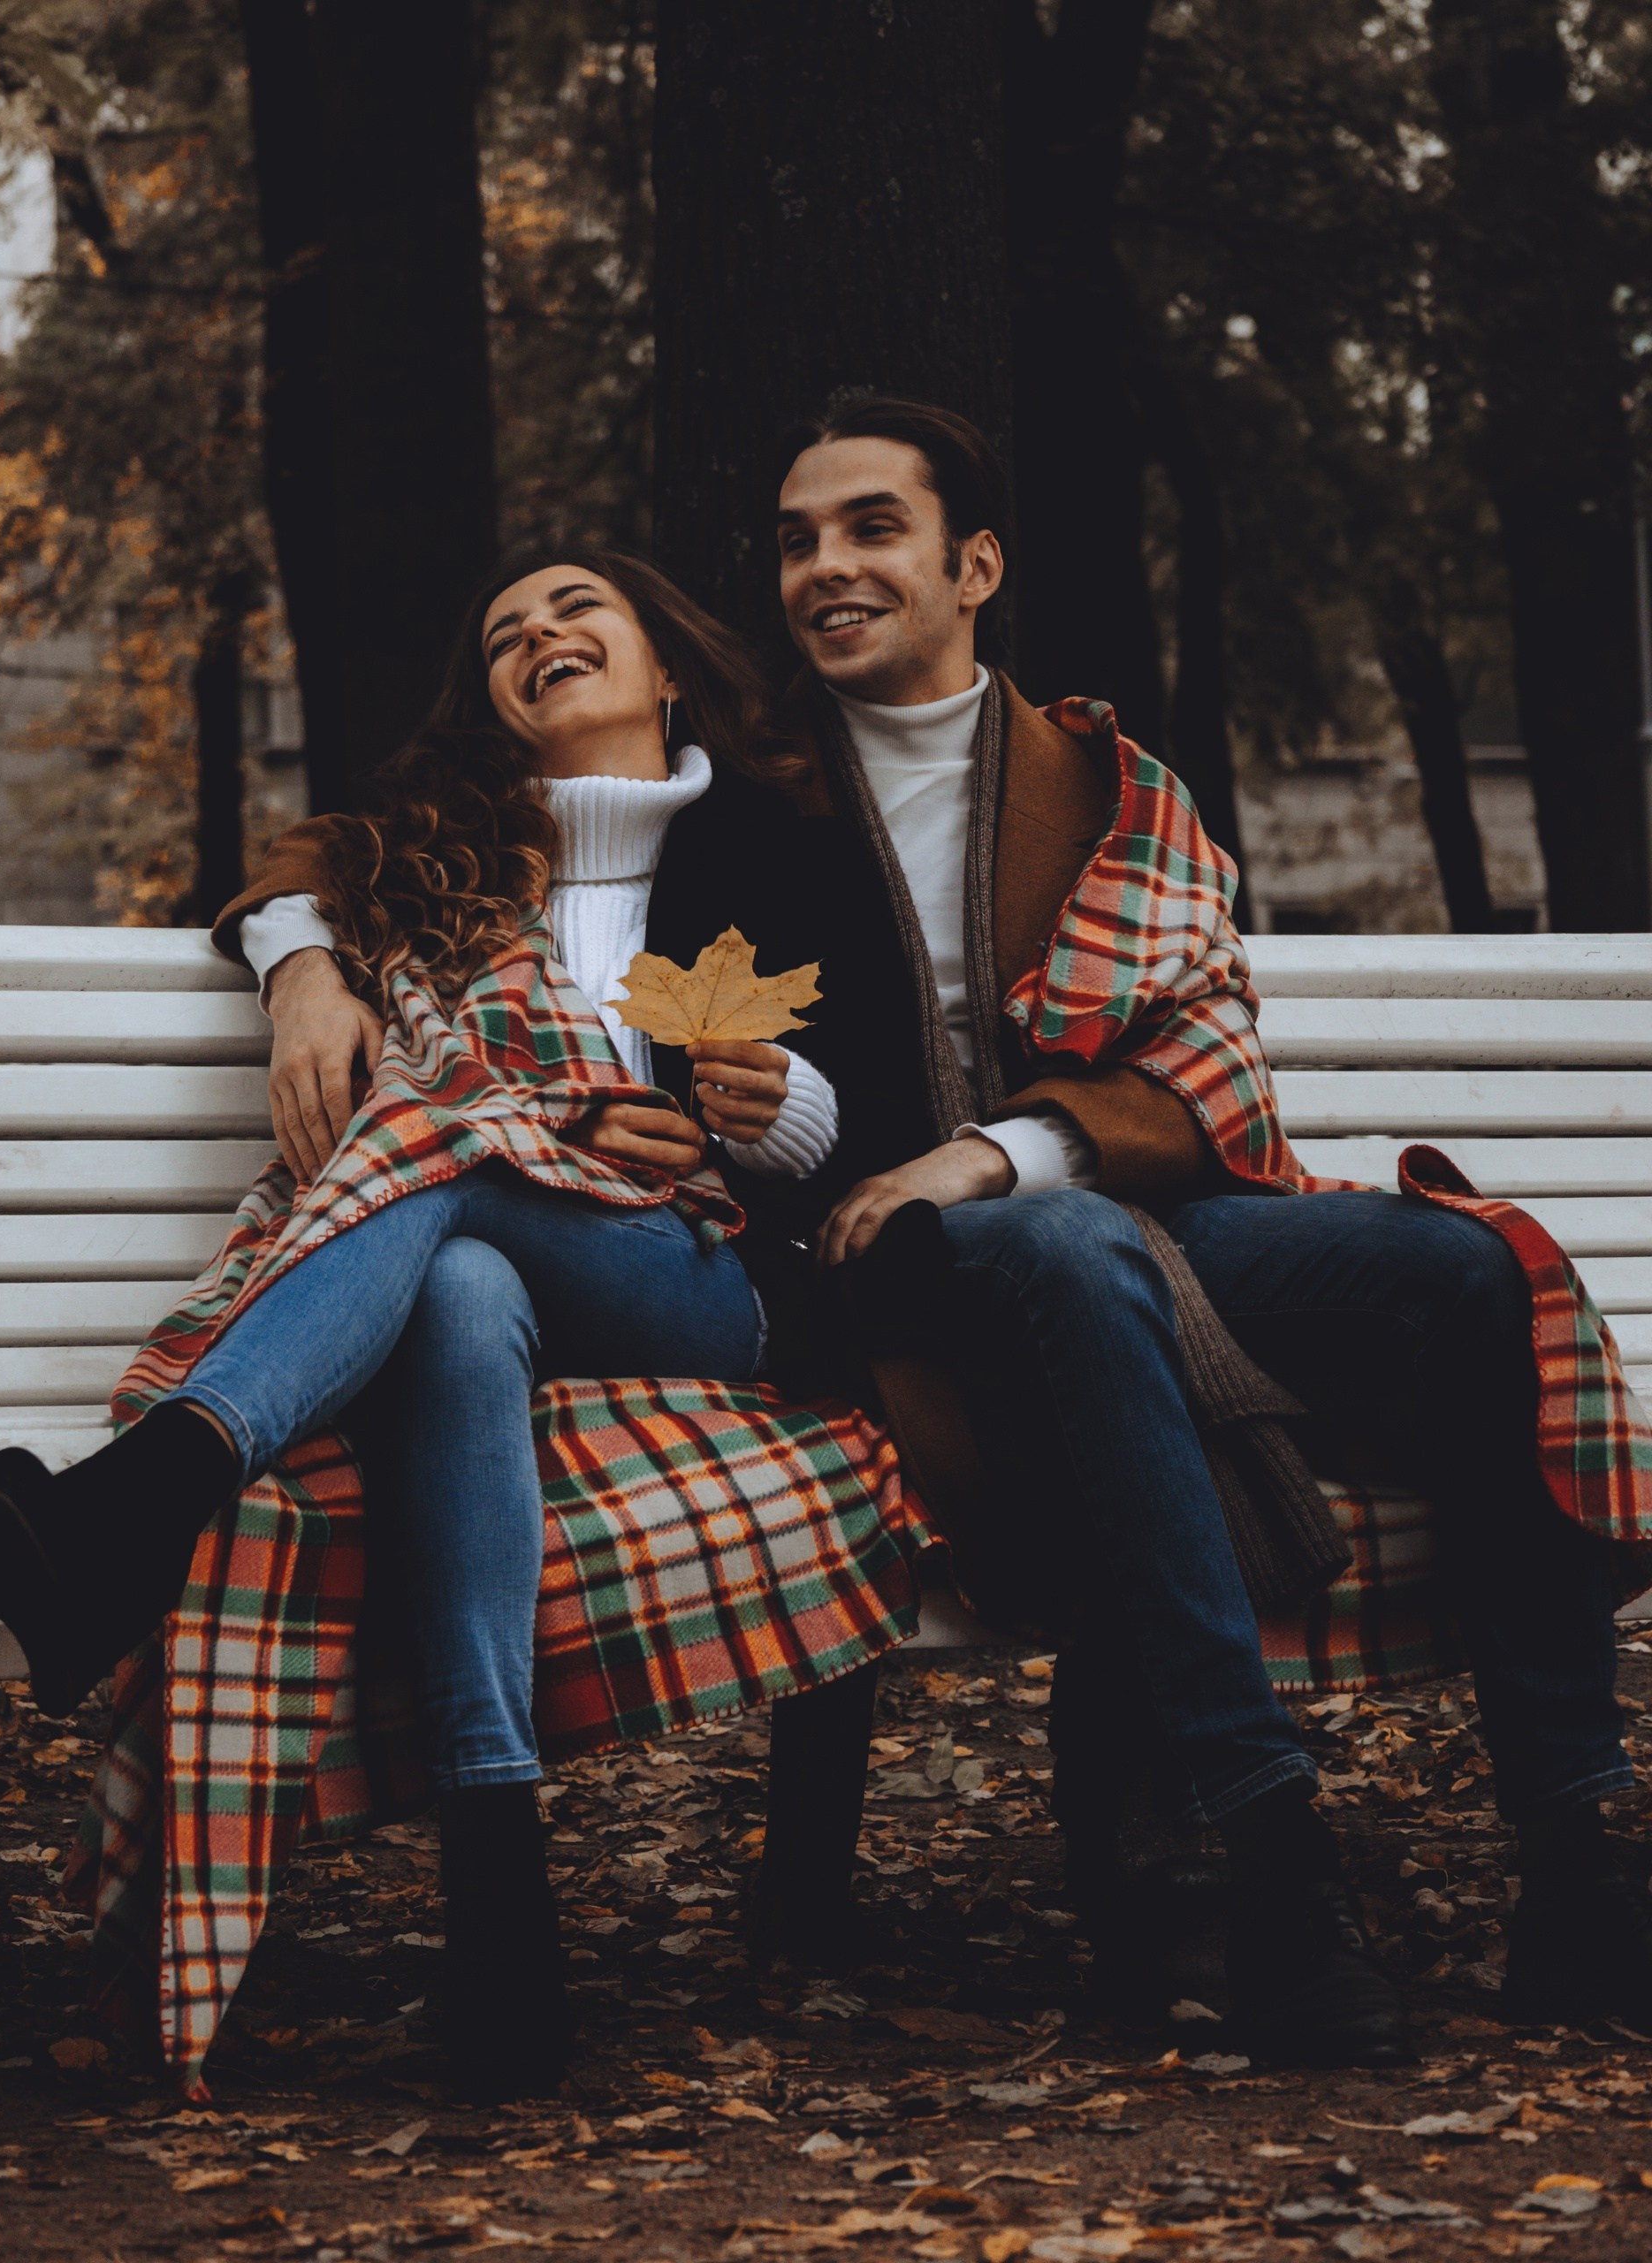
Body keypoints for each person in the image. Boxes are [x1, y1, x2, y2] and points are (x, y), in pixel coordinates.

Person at [227, 397, 1652, 2069]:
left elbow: (1200, 1053)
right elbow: (439, 872)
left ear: (974, 564)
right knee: (1072, 1256)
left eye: (869, 530)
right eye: (796, 540)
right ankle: (1263, 1842)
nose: (826, 567)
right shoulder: (744, 798)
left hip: (1113, 1202)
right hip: (889, 1267)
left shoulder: (1104, 781)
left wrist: (990, 1152)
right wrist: (306, 957)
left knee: (1475, 1266)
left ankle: (1579, 1846)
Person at [0, 550, 844, 2100]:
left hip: (698, 1276)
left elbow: (871, 1091)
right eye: (505, 631)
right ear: (489, 700)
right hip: (479, 1254)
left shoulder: (783, 835)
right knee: (458, 1267)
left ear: (669, 663)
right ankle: (502, 1913)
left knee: (442, 1132)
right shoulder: (432, 849)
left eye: (578, 613)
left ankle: (149, 1493)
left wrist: (740, 1132)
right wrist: (302, 962)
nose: (539, 636)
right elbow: (282, 872)